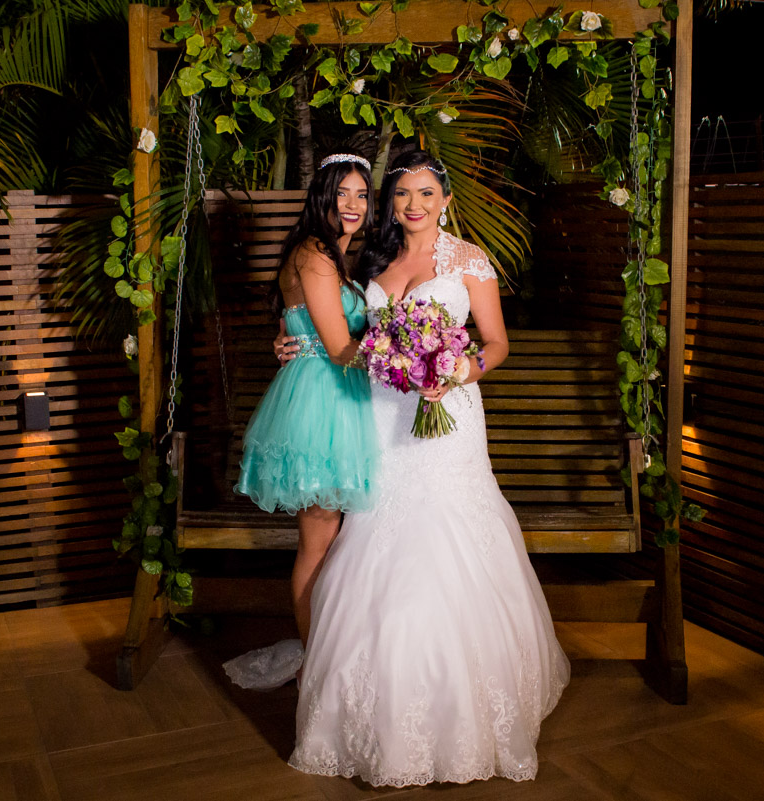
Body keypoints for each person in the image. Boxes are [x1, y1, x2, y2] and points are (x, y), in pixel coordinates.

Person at [286, 149, 570, 786]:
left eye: (425, 194)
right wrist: (292, 342)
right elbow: (334, 323)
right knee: (375, 545)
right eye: (402, 195)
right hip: (382, 420)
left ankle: (459, 708)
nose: (413, 205)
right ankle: (372, 704)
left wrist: (456, 368)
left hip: (449, 420)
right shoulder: (374, 260)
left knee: (443, 542)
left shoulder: (469, 261)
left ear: (445, 199)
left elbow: (497, 343)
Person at [230, 152, 378, 668]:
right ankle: (318, 667)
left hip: (339, 399)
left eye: (361, 194)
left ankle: (332, 651)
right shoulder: (316, 253)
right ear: (322, 197)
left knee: (330, 538)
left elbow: (306, 325)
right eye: (342, 193)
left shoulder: (334, 257)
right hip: (324, 404)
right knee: (318, 541)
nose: (352, 204)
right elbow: (340, 348)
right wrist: (408, 358)